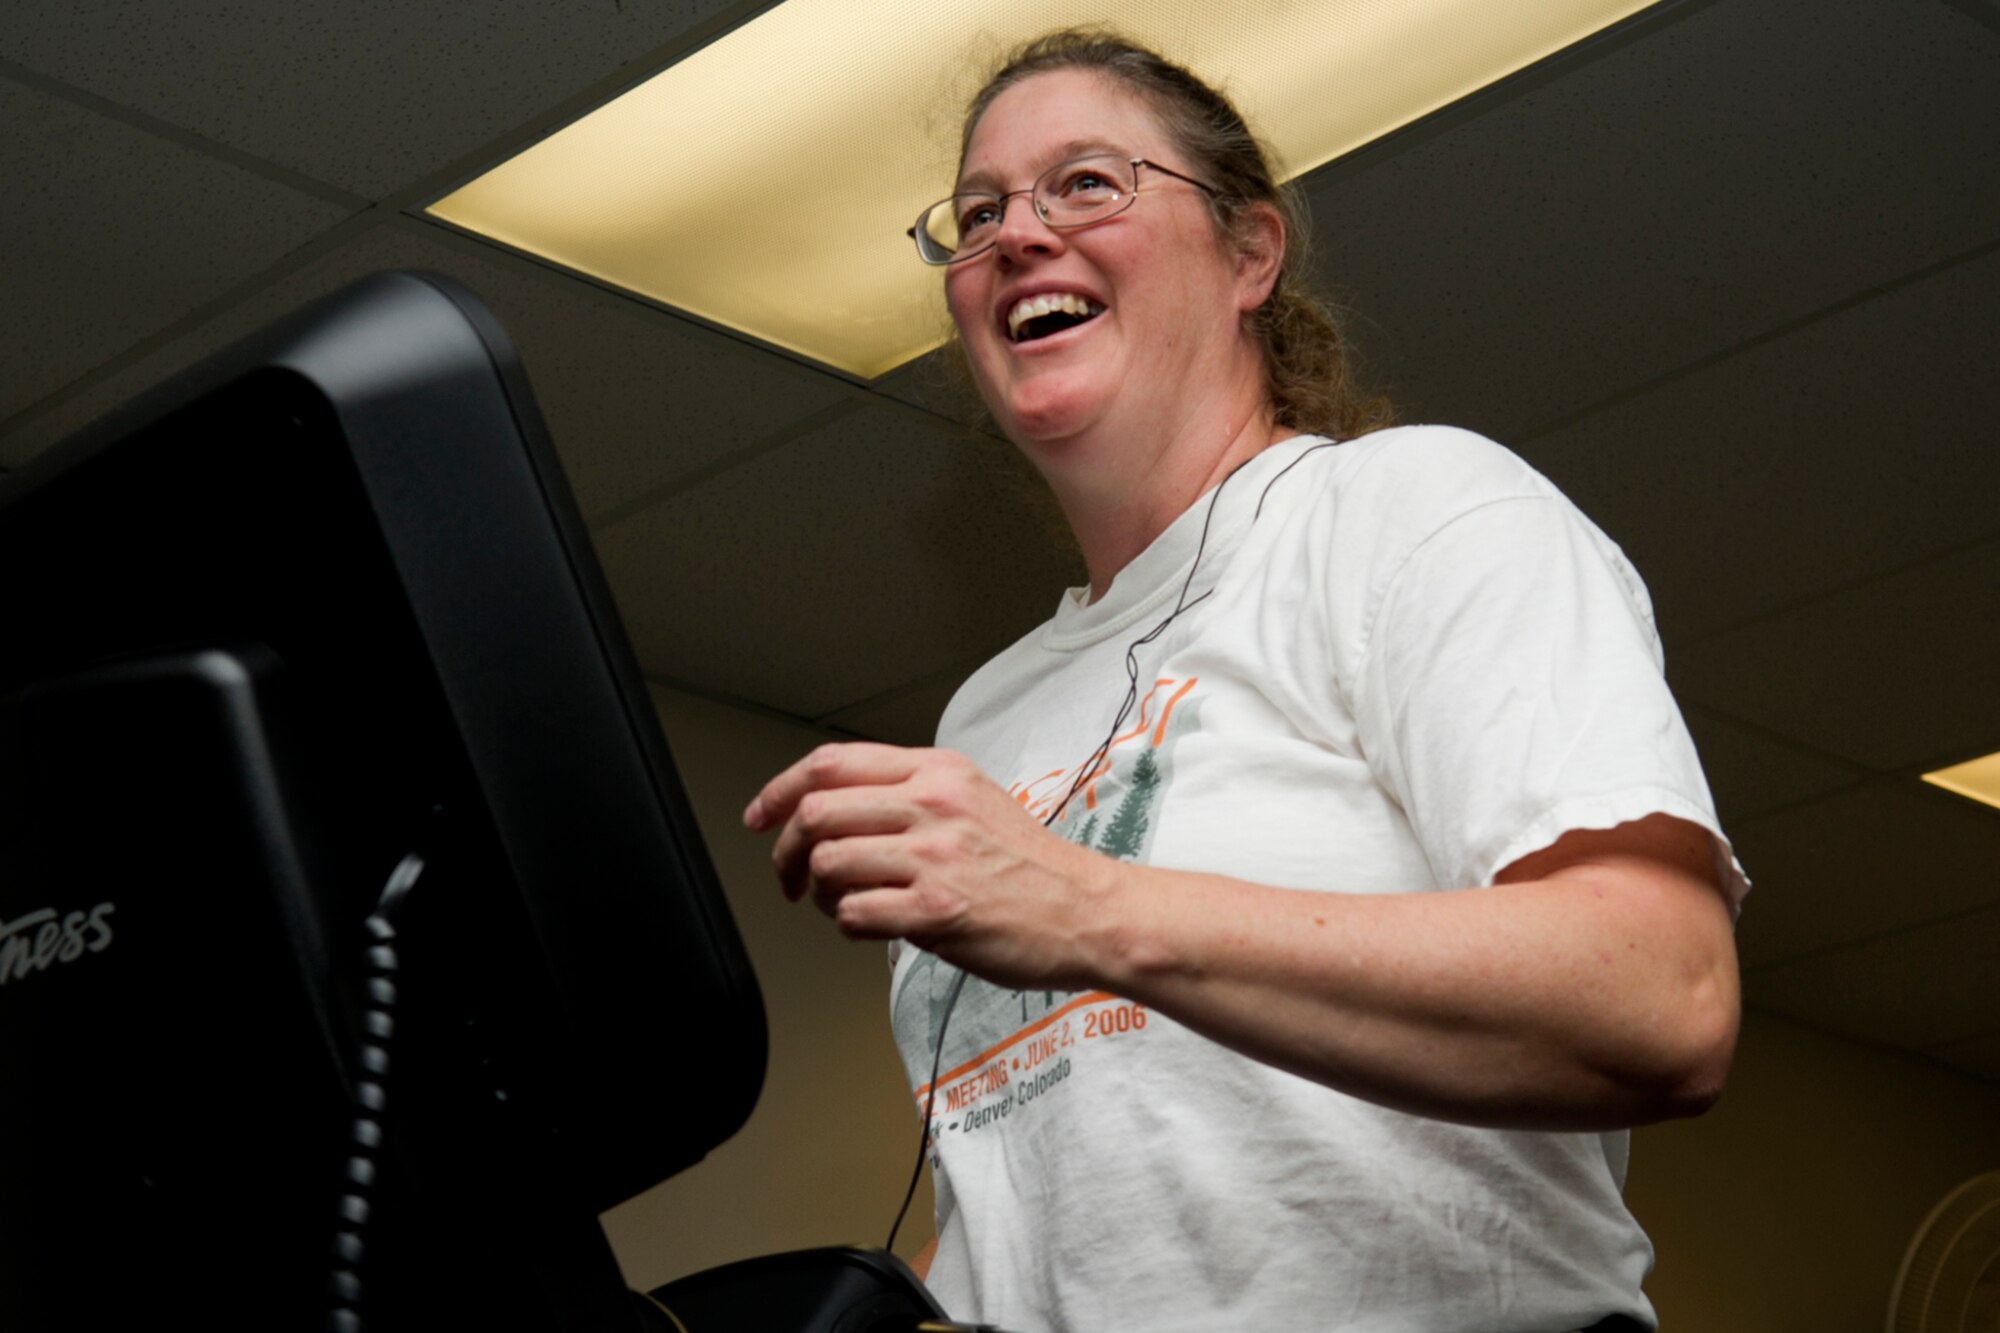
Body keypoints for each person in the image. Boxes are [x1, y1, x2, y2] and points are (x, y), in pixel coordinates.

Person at [743, 29, 1746, 1333]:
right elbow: (1076, 1195)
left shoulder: (1409, 510)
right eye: (979, 214)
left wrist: (1094, 907)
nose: (1017, 234)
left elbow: (1663, 997)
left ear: (1249, 254)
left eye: (1088, 184)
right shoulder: (990, 716)